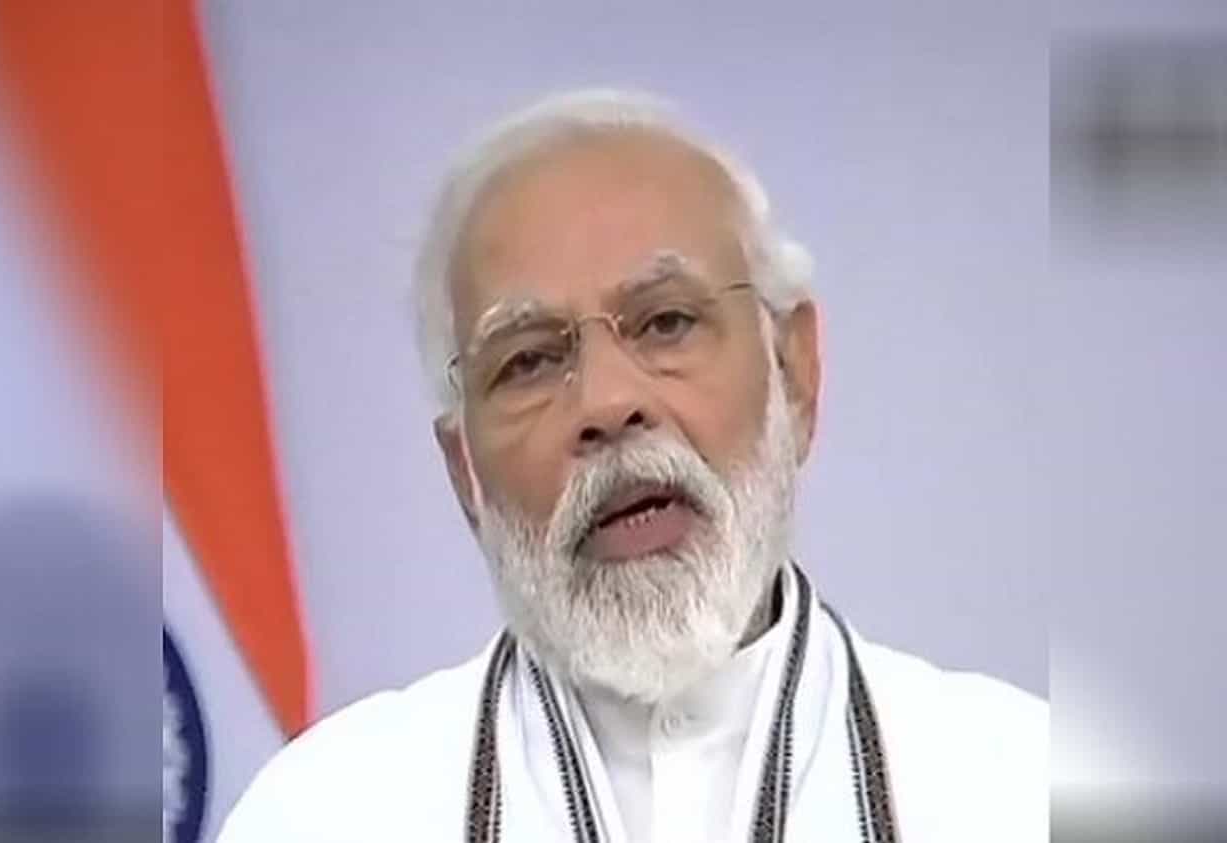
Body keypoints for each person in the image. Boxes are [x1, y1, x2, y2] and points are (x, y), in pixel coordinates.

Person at [219, 89, 1046, 842]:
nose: (609, 403)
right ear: (464, 471)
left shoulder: (1022, 789)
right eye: (529, 361)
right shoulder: (323, 813)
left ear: (794, 375)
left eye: (666, 322)